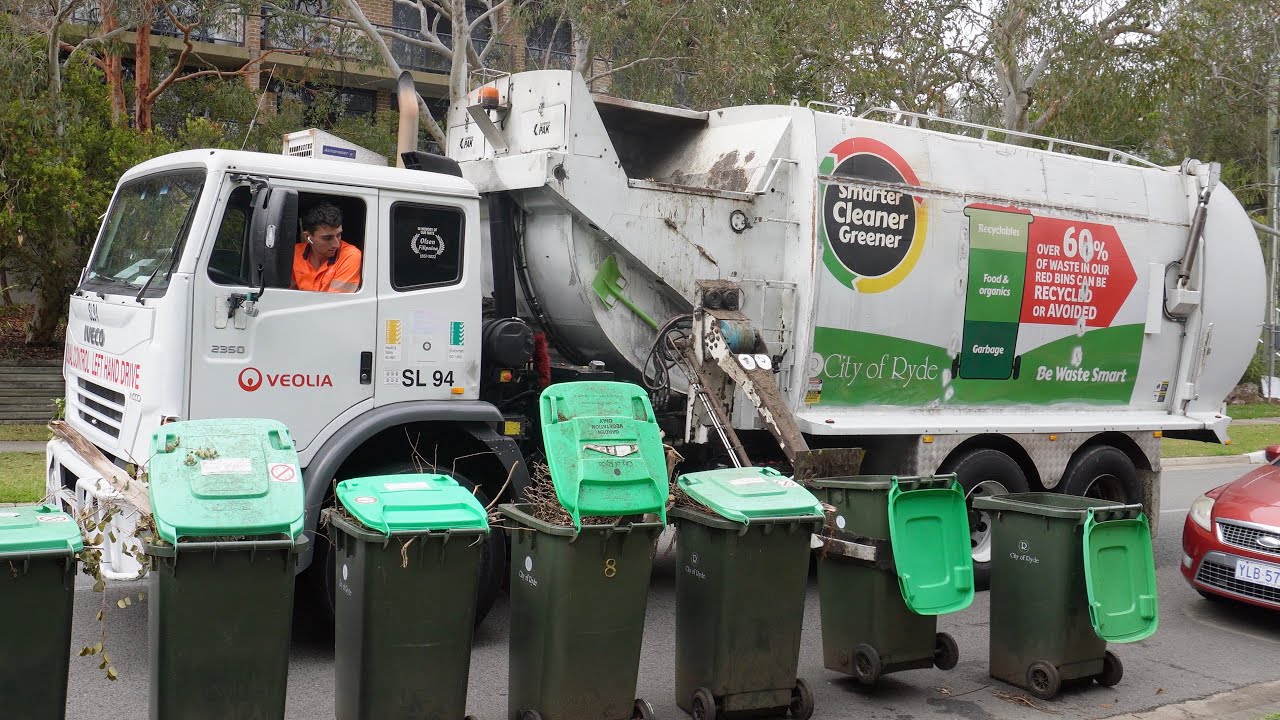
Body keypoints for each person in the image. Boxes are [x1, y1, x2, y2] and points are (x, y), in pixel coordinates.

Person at [293, 203, 361, 292]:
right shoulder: (294, 253)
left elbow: (337, 302)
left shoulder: (350, 255)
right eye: (327, 238)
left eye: (339, 235)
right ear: (307, 237)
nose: (336, 244)